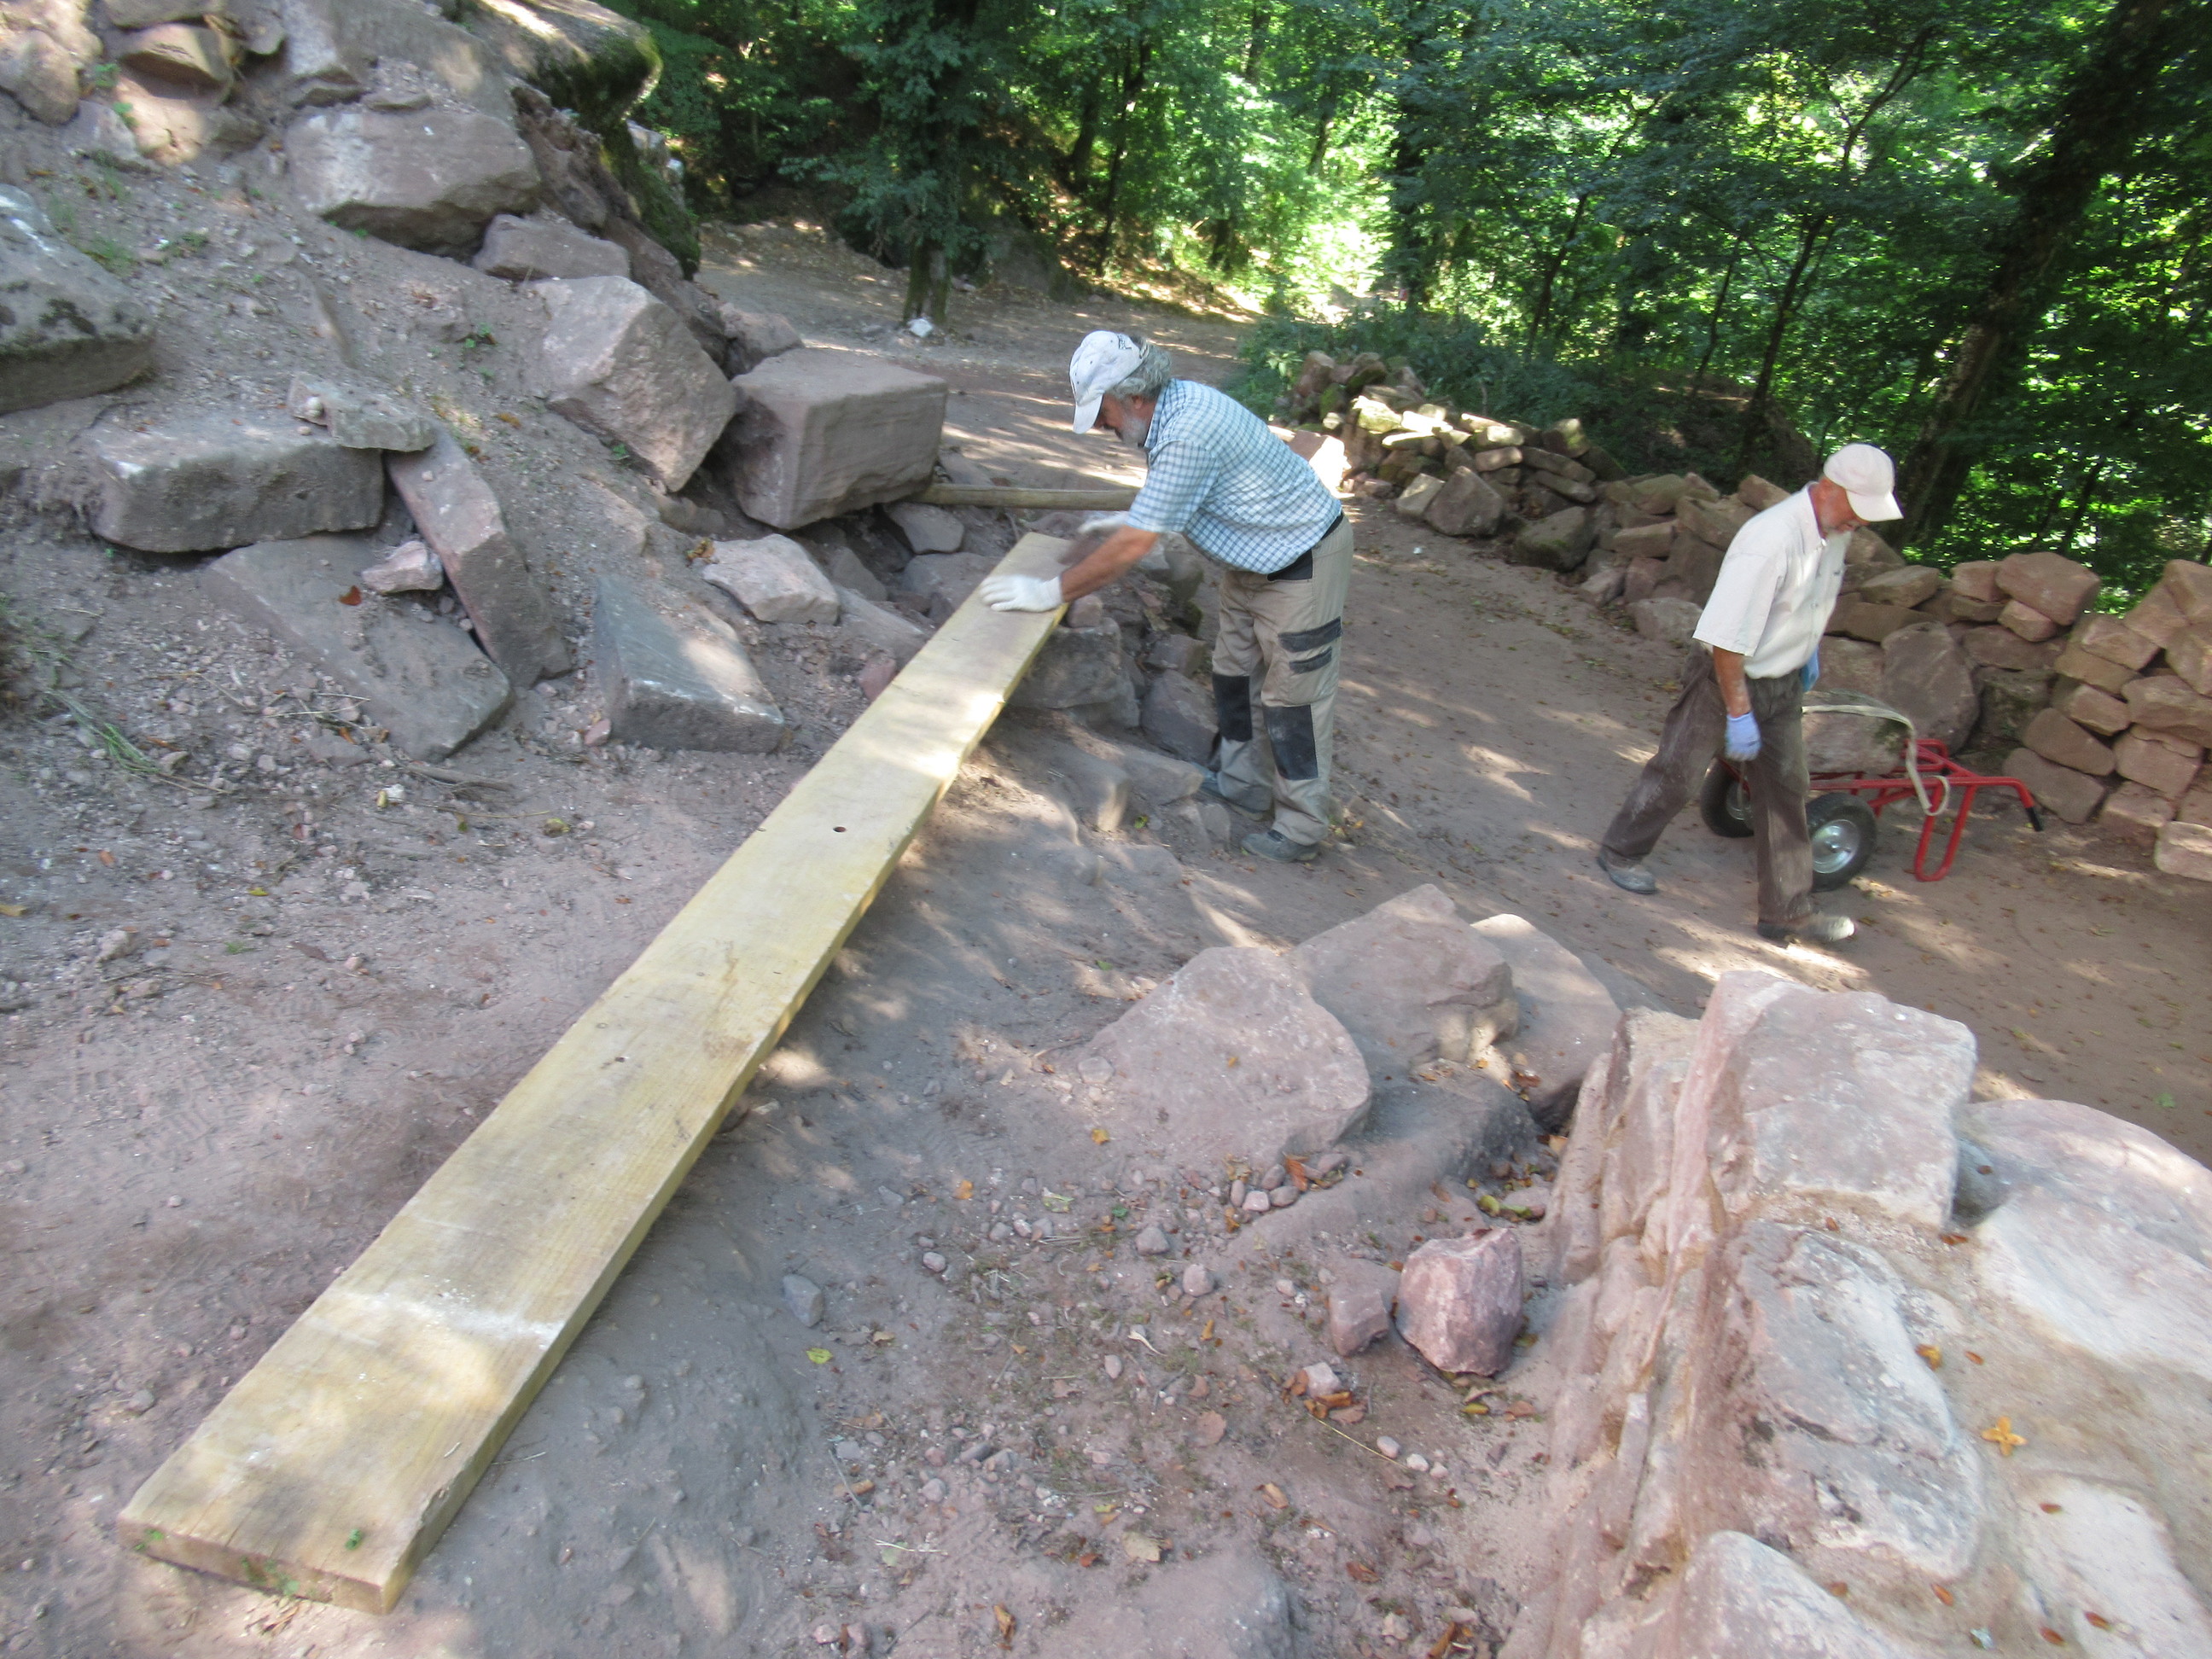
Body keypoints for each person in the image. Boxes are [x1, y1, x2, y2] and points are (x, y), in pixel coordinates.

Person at [981, 330, 1352, 864]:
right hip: (1254, 557)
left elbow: (1137, 546)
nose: (1102, 425)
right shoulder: (1171, 409)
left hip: (1303, 559)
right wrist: (1132, 517)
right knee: (1233, 674)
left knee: (1295, 698)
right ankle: (1242, 785)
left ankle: (1301, 827)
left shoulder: (1185, 432)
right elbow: (1180, 495)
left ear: (1134, 396)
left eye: (1103, 411)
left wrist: (1049, 592)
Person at [1593, 444, 1903, 946]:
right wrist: (1739, 713)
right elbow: (1726, 640)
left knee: (1787, 790)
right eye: (1858, 509)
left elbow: (1808, 603)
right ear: (1830, 488)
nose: (1862, 522)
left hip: (1782, 679)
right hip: (1725, 675)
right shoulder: (1770, 540)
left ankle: (1787, 912)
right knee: (1679, 773)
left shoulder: (1834, 533)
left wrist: (1805, 653)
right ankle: (1621, 850)